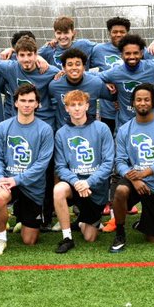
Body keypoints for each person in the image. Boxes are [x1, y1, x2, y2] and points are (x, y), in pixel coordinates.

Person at [110, 84, 154, 252]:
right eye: (139, 100)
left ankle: (144, 223)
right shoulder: (124, 129)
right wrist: (134, 179)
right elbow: (119, 161)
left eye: (147, 99)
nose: (142, 103)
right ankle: (120, 234)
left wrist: (144, 173)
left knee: (152, 238)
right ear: (133, 103)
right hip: (133, 180)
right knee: (120, 190)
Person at [0, 84, 54, 256]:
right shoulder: (3, 127)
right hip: (9, 181)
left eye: (31, 101)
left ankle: (22, 217)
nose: (26, 104)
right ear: (15, 103)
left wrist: (16, 180)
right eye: (22, 100)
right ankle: (1, 239)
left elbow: (42, 164)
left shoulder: (45, 130)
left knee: (29, 241)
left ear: (37, 104)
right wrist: (1, 178)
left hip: (32, 186)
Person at [51, 90, 115, 253]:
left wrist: (88, 182)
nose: (77, 108)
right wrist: (77, 182)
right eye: (73, 105)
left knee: (90, 237)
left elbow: (108, 163)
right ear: (66, 108)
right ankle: (67, 237)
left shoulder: (102, 129)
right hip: (74, 185)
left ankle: (81, 222)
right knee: (58, 189)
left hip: (95, 188)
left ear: (87, 106)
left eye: (80, 104)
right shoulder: (61, 133)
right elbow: (60, 166)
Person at [46, 47, 111, 129]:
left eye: (78, 64)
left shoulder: (96, 84)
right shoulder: (54, 86)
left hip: (89, 129)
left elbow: (114, 97)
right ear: (64, 68)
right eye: (70, 65)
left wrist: (113, 86)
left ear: (84, 67)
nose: (74, 67)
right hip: (64, 131)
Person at [89, 16, 133, 132]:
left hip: (130, 109)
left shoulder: (135, 50)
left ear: (127, 33)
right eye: (115, 32)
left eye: (122, 32)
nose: (118, 35)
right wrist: (103, 81)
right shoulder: (98, 50)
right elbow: (85, 72)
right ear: (109, 33)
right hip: (107, 109)